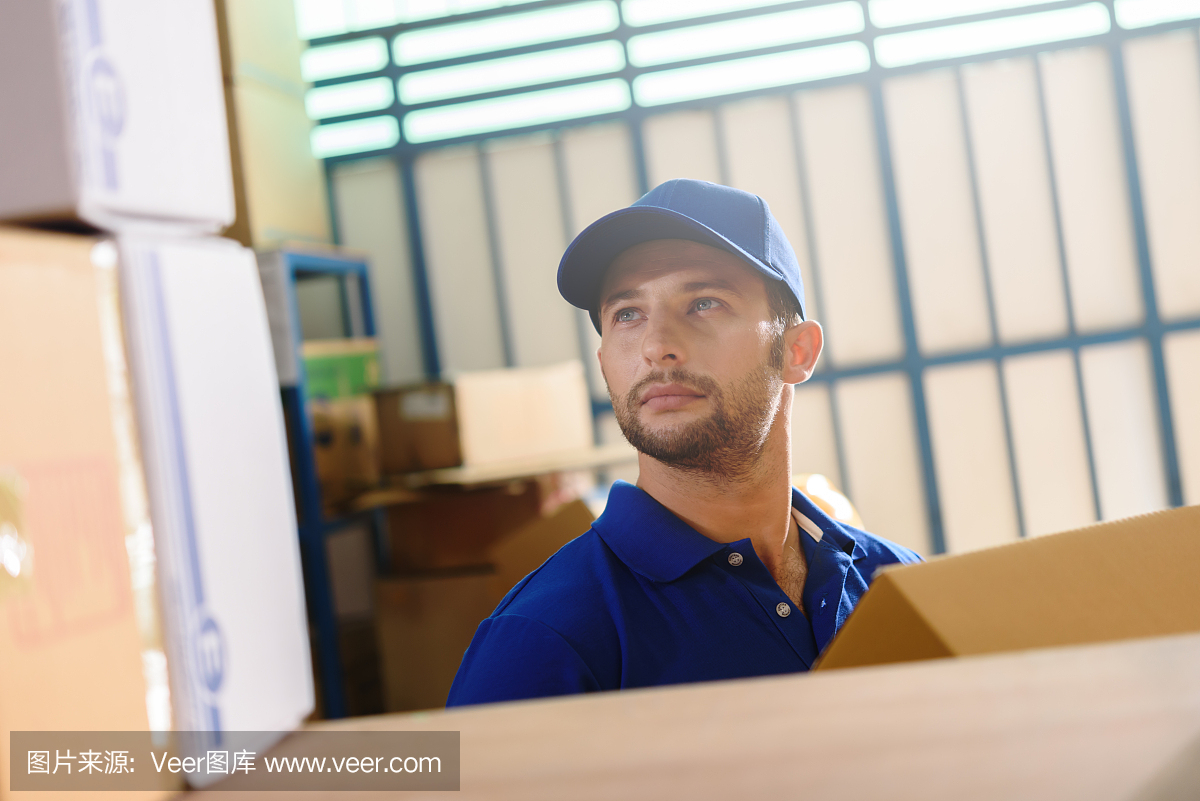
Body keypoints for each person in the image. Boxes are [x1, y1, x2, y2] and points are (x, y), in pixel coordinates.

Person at [446, 179, 921, 707]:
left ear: (798, 351)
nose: (656, 347)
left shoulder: (903, 588)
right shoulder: (545, 638)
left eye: (704, 303)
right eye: (627, 315)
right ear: (605, 364)